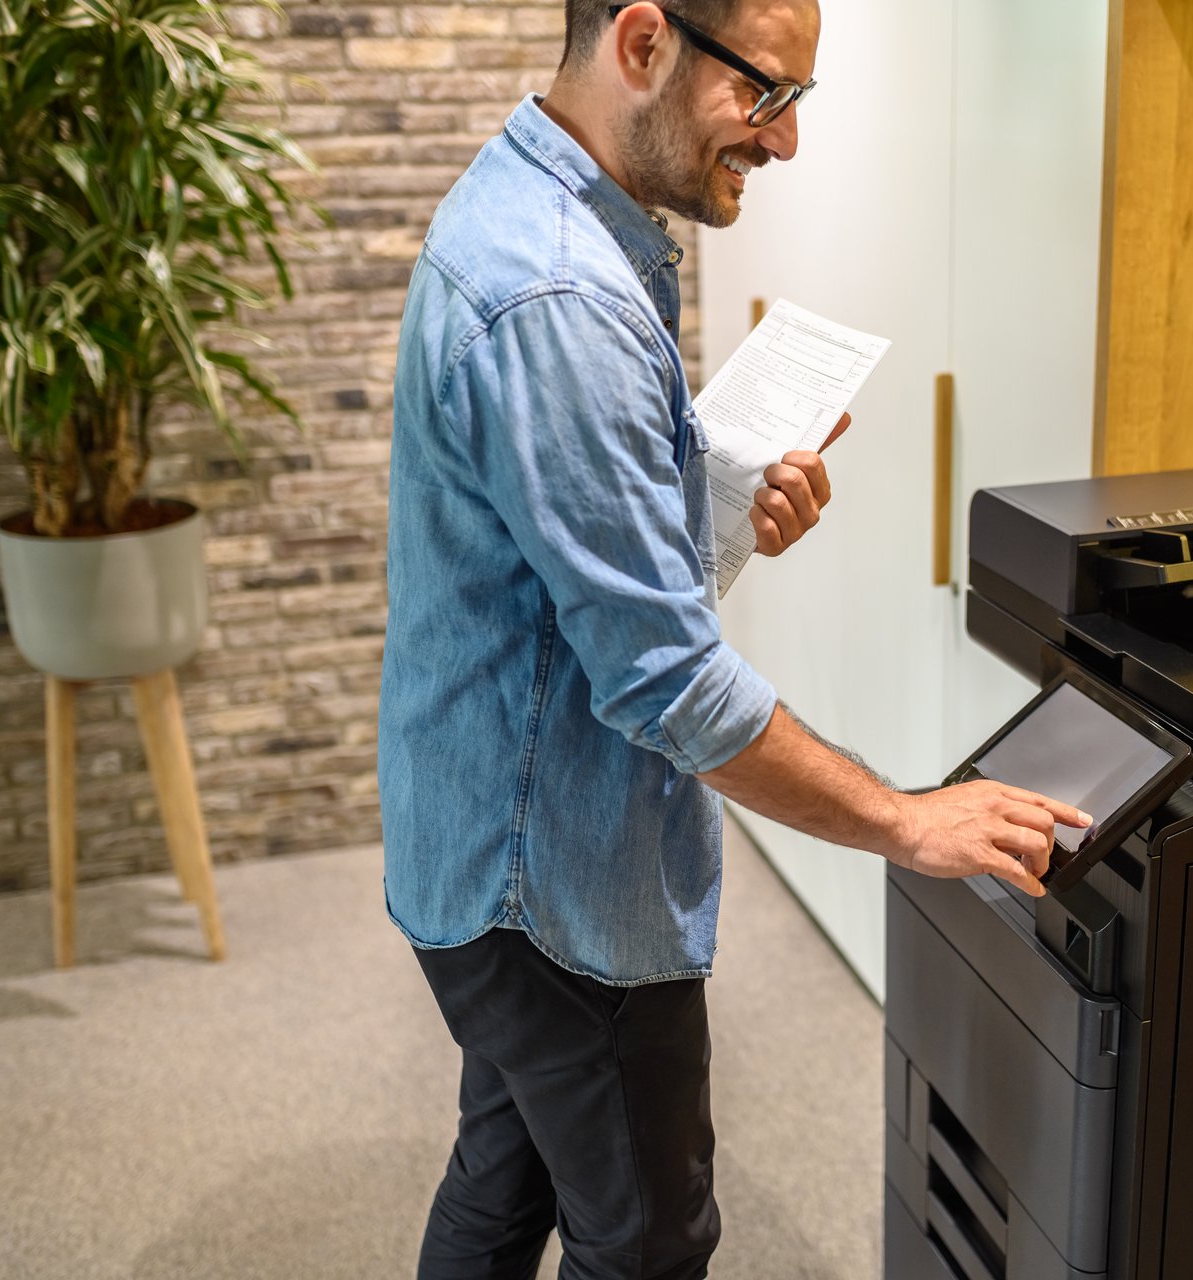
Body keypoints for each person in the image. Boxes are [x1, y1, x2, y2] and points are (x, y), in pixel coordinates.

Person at [378, 2, 1089, 1276]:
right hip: (548, 887)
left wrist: (709, 509)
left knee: (508, 1169)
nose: (787, 143)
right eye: (767, 95)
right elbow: (667, 683)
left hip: (487, 836)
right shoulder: (558, 295)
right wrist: (907, 819)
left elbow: (564, 567)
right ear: (644, 43)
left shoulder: (539, 207)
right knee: (647, 1235)